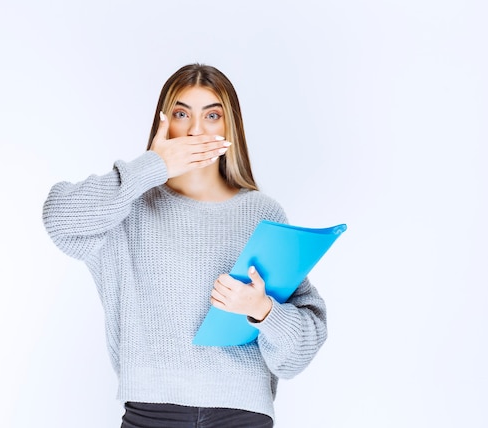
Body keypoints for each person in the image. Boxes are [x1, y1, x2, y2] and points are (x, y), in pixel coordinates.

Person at [42, 63, 327, 427]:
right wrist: (152, 167)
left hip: (242, 415)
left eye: (212, 115)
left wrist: (263, 310)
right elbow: (59, 217)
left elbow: (298, 354)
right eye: (181, 113)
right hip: (151, 413)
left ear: (230, 127)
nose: (195, 130)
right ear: (165, 123)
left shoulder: (262, 212)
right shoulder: (127, 206)